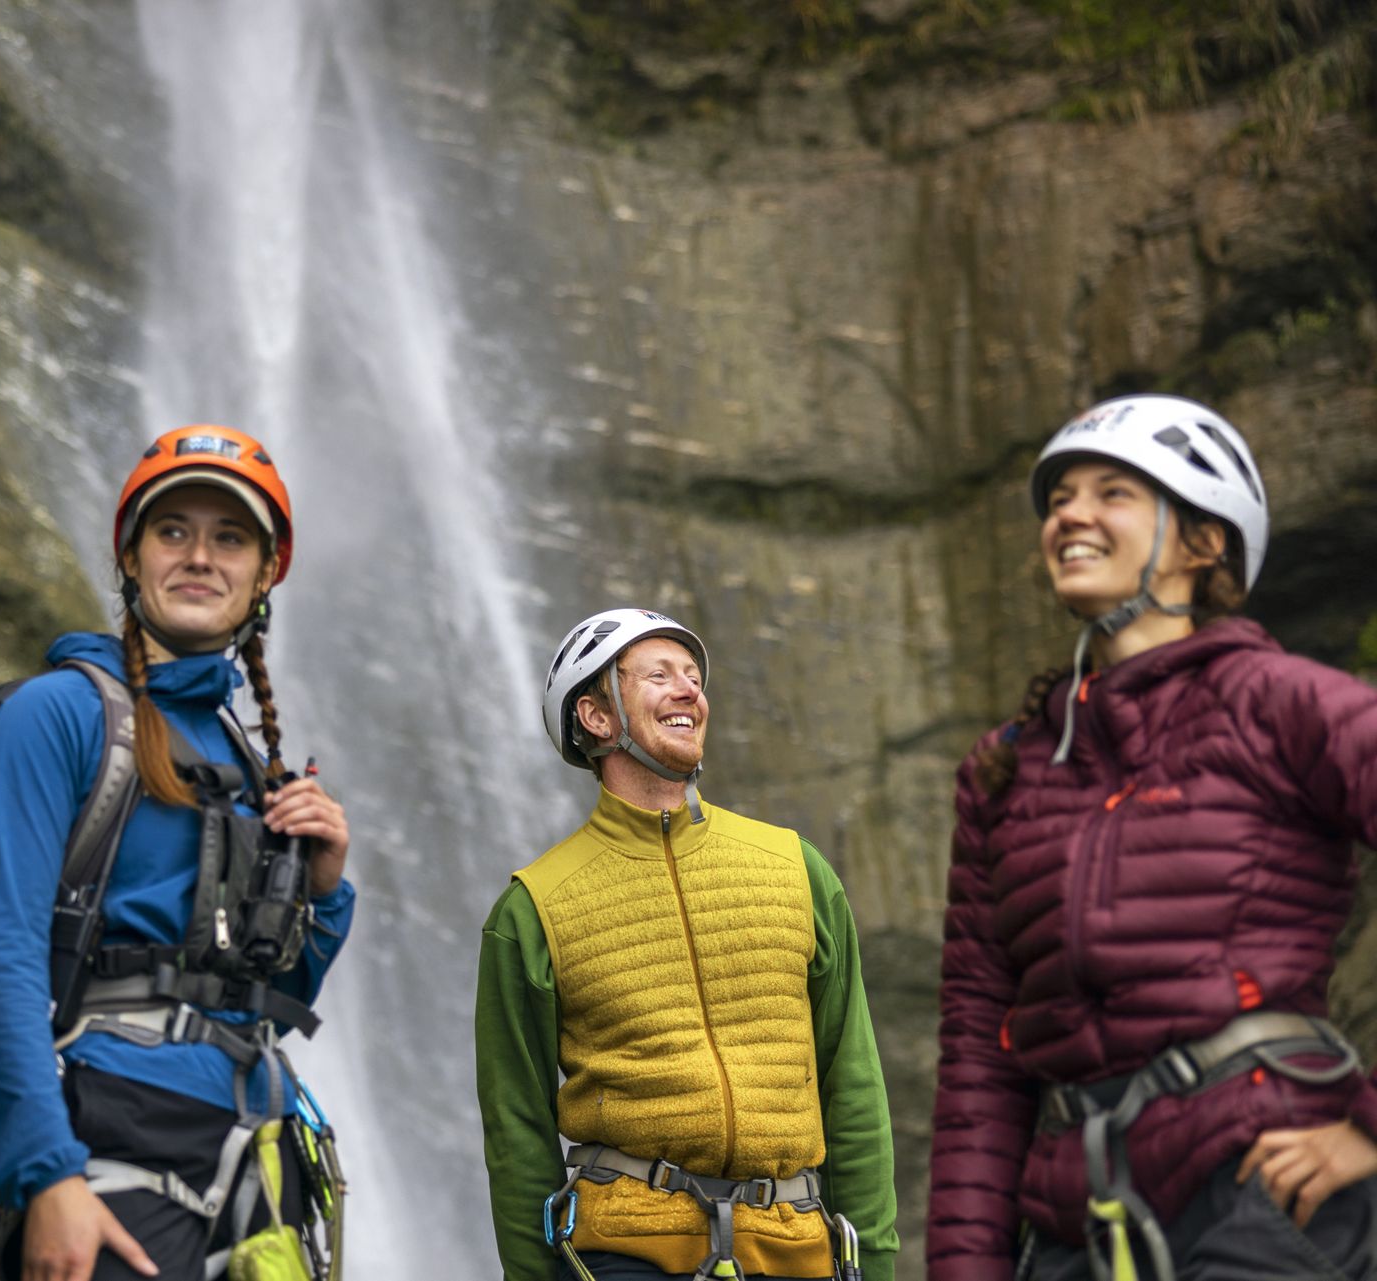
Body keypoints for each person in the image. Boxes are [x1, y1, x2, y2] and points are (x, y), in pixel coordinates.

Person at [927, 393, 1377, 1280]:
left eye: (1114, 493)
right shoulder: (1006, 770)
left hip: (1264, 1195)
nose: (1072, 515)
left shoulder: (1280, 702)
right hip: (1069, 1227)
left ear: (1203, 543)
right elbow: (981, 1054)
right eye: (1060, 498)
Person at [0, 423, 356, 1281]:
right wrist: (45, 1172)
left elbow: (262, 997)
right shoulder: (56, 717)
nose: (200, 556)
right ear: (130, 558)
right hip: (108, 1149)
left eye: (230, 537)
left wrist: (321, 892)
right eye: (173, 531)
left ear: (265, 574)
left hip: (262, 1166)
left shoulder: (250, 761)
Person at [477, 608, 898, 1281]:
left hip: (796, 1248)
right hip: (625, 1253)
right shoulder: (533, 907)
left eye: (695, 678)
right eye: (659, 675)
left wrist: (873, 1264)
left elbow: (853, 1083)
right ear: (596, 716)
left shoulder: (797, 868)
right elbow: (516, 1130)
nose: (689, 691)